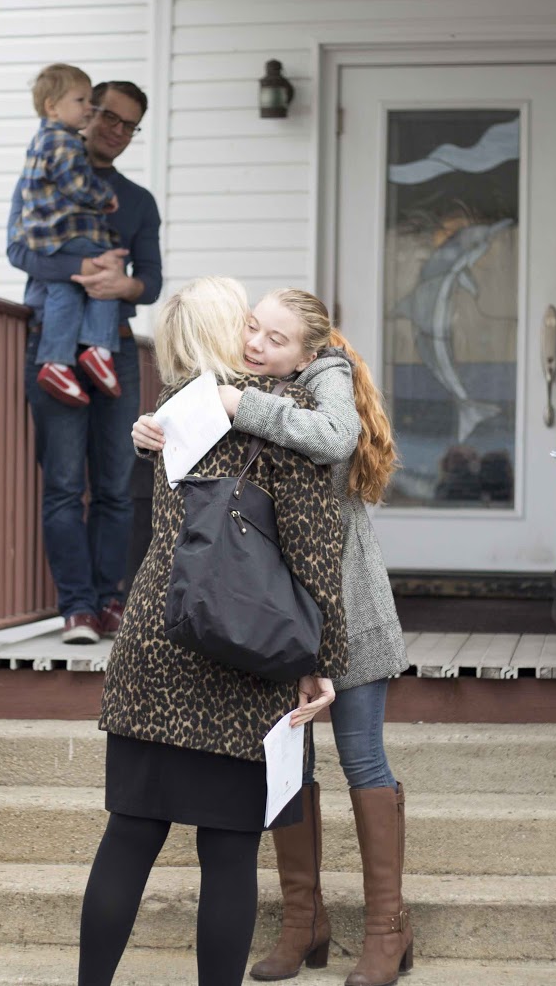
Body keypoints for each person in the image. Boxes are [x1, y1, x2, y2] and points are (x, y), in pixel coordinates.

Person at [132, 288, 412, 985]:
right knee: (293, 764)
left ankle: (387, 927)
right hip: (280, 617)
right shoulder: (252, 382)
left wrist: (237, 405)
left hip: (349, 613)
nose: (257, 343)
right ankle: (303, 917)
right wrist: (151, 435)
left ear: (309, 350)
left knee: (362, 759)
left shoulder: (325, 379)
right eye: (252, 327)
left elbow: (332, 437)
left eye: (275, 338)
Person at [79, 276, 349, 986]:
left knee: (128, 838)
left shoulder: (169, 415)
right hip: (241, 653)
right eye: (250, 323)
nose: (259, 337)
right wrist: (322, 661)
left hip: (152, 646)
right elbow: (316, 553)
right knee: (228, 856)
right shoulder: (280, 413)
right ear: (234, 330)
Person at [8, 80, 163, 647]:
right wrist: (82, 272)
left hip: (115, 350)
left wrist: (124, 284)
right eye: (109, 118)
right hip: (52, 344)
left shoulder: (139, 201)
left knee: (117, 485)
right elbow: (19, 251)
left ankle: (110, 601)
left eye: (129, 125)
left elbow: (152, 282)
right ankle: (76, 609)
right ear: (87, 112)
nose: (116, 132)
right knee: (65, 485)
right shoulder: (49, 168)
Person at [16, 63, 125, 406]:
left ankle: (56, 363)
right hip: (69, 230)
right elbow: (76, 183)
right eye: (81, 101)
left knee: (63, 291)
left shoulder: (42, 140)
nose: (88, 109)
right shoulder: (63, 142)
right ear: (52, 106)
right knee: (106, 277)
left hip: (48, 237)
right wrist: (105, 198)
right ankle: (98, 348)